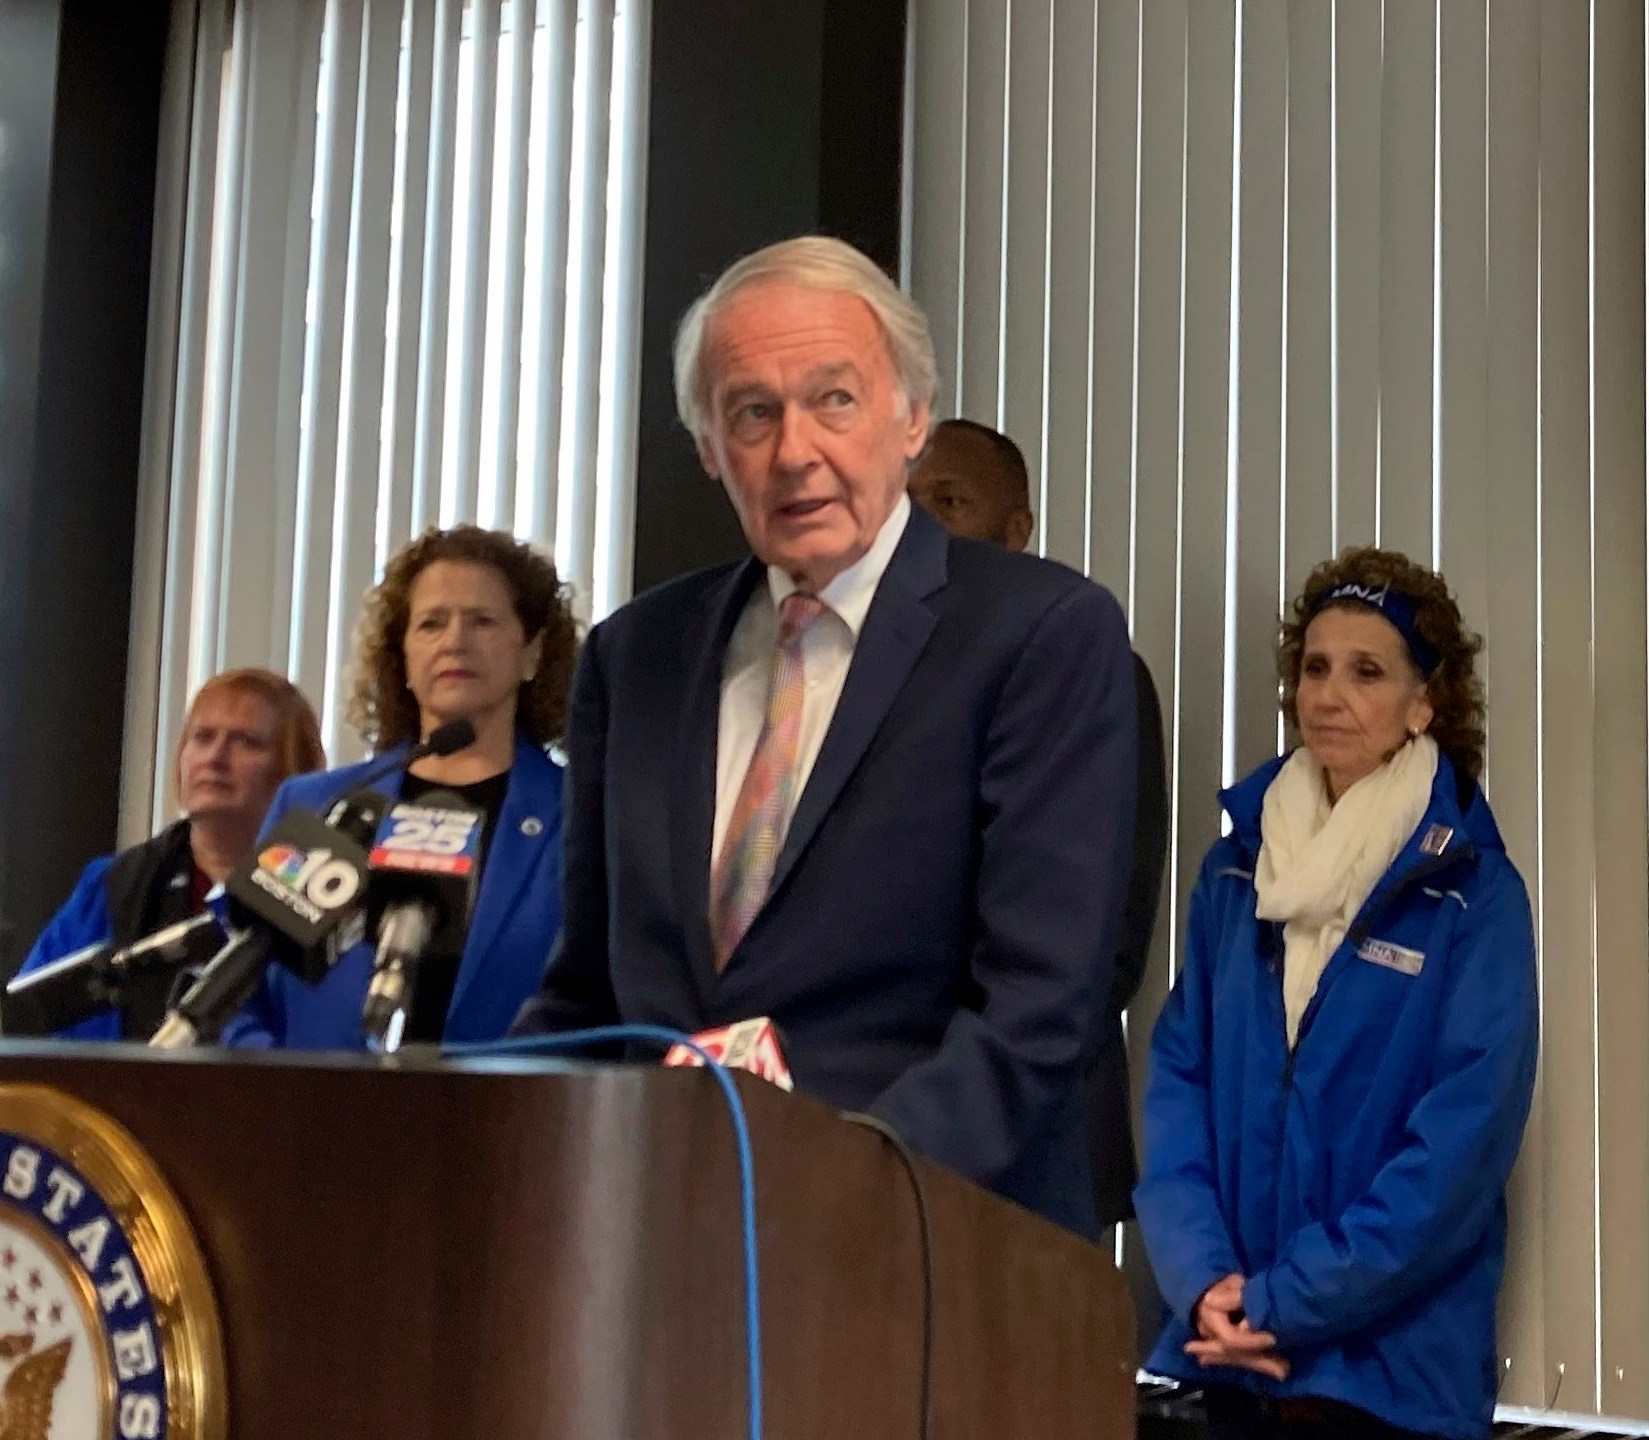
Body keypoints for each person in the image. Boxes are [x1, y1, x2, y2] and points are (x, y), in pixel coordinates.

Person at [511, 236, 1138, 1238]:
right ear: (710, 449)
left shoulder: (1039, 634)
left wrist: (828, 1196)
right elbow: (587, 991)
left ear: (911, 419)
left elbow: (1038, 1009)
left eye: (833, 400)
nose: (793, 450)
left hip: (929, 1256)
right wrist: (496, 1152)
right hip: (657, 1249)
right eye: (752, 412)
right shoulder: (636, 659)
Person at [1134, 548, 1539, 1440]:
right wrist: (1206, 1283)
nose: (1327, 694)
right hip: (1232, 1355)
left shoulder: (1473, 894)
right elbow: (1177, 1088)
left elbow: (1457, 1152)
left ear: (1423, 704)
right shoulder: (1234, 872)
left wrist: (1286, 1301)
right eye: (1314, 667)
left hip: (1390, 1376)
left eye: (1366, 671)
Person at [910, 416, 1169, 1232]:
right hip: (872, 1121)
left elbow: (1106, 946)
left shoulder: (1094, 675)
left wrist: (965, 1091)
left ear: (1017, 530)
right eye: (904, 503)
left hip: (1032, 1125)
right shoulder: (851, 682)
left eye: (948, 501)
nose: (919, 525)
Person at [223, 525, 577, 1050]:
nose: (455, 641)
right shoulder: (316, 806)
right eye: (431, 624)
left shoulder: (578, 816)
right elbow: (235, 994)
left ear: (531, 653)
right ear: (403, 658)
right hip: (308, 1119)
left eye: (482, 621)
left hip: (503, 1121)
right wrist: (282, 1093)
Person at [15, 668, 325, 1040]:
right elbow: (22, 1029)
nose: (215, 757)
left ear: (295, 770)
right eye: (203, 737)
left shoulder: (326, 894)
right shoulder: (113, 888)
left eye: (247, 741)